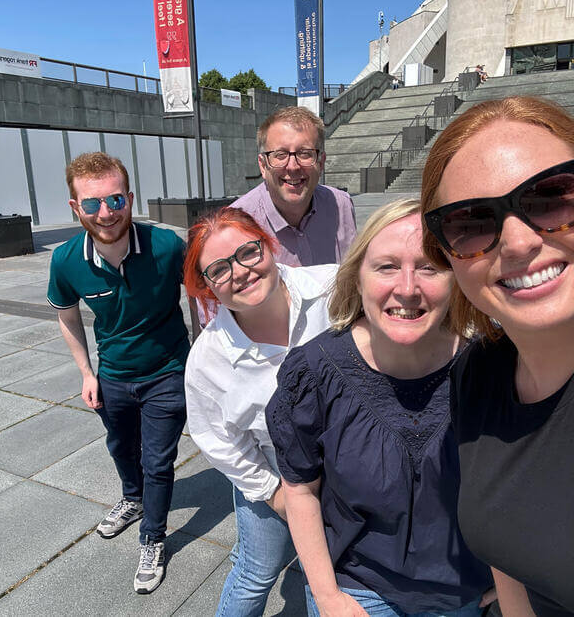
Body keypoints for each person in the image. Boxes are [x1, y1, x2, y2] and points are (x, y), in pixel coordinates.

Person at [420, 96, 574, 616]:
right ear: (449, 256)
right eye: (470, 222)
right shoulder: (478, 369)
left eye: (550, 197)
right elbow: (507, 558)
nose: (515, 243)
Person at [266, 200, 493, 617]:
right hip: (359, 591)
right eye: (387, 266)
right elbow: (299, 490)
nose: (407, 287)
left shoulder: (490, 370)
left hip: (461, 593)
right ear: (356, 277)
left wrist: (510, 576)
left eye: (429, 267)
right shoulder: (314, 375)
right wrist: (327, 596)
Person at [182, 207, 336, 616]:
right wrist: (272, 493)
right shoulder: (209, 360)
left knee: (324, 570)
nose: (240, 272)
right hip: (272, 464)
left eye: (248, 252)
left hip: (345, 455)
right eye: (219, 269)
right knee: (257, 568)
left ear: (268, 246)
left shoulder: (333, 288)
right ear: (208, 287)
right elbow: (218, 439)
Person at [47, 152, 188, 594]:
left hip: (168, 371)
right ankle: (132, 499)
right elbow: (67, 317)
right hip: (113, 375)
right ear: (75, 208)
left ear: (130, 197)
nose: (106, 212)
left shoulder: (167, 246)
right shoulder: (67, 260)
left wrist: (204, 358)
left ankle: (153, 537)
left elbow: (205, 297)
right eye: (91, 204)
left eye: (115, 199)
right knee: (121, 446)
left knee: (157, 460)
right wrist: (87, 374)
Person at [230, 106, 357, 267]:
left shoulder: (341, 205)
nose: (293, 166)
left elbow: (352, 275)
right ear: (263, 166)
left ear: (321, 162)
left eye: (305, 153)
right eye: (280, 155)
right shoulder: (234, 225)